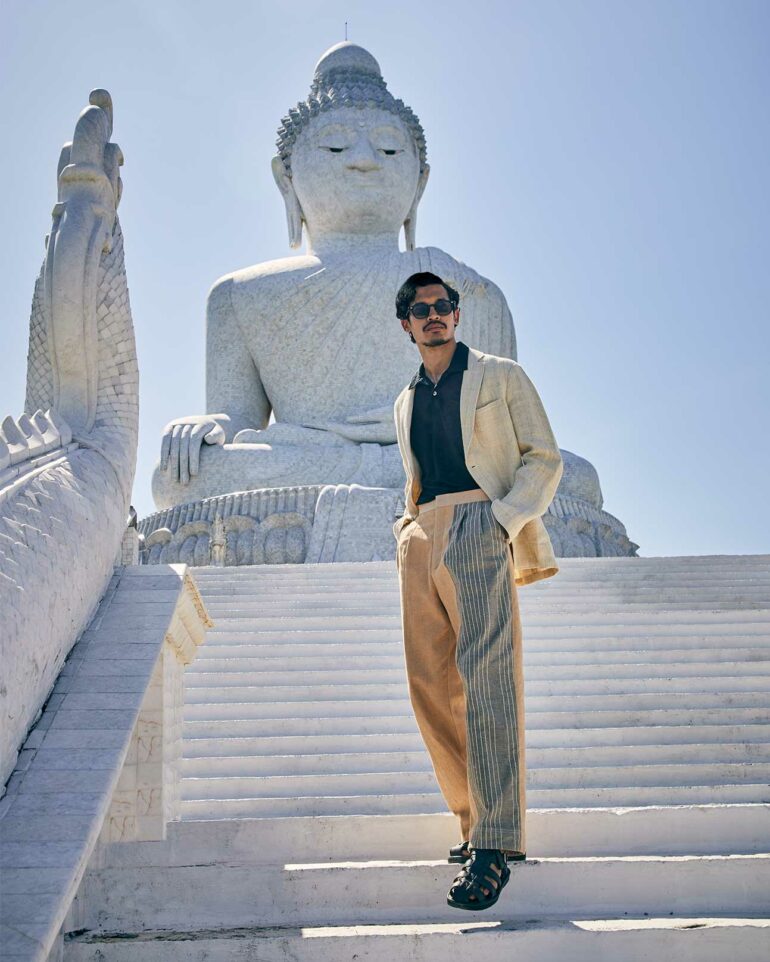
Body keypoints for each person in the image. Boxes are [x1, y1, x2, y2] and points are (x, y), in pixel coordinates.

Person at [392, 271, 563, 911]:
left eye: (444, 307)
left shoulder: (499, 374)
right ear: (406, 323)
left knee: (487, 678)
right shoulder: (404, 399)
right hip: (421, 533)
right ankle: (471, 823)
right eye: (421, 309)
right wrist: (408, 529)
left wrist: (501, 519)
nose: (435, 316)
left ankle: (494, 844)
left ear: (457, 316)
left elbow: (543, 457)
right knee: (429, 684)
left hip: (477, 521)